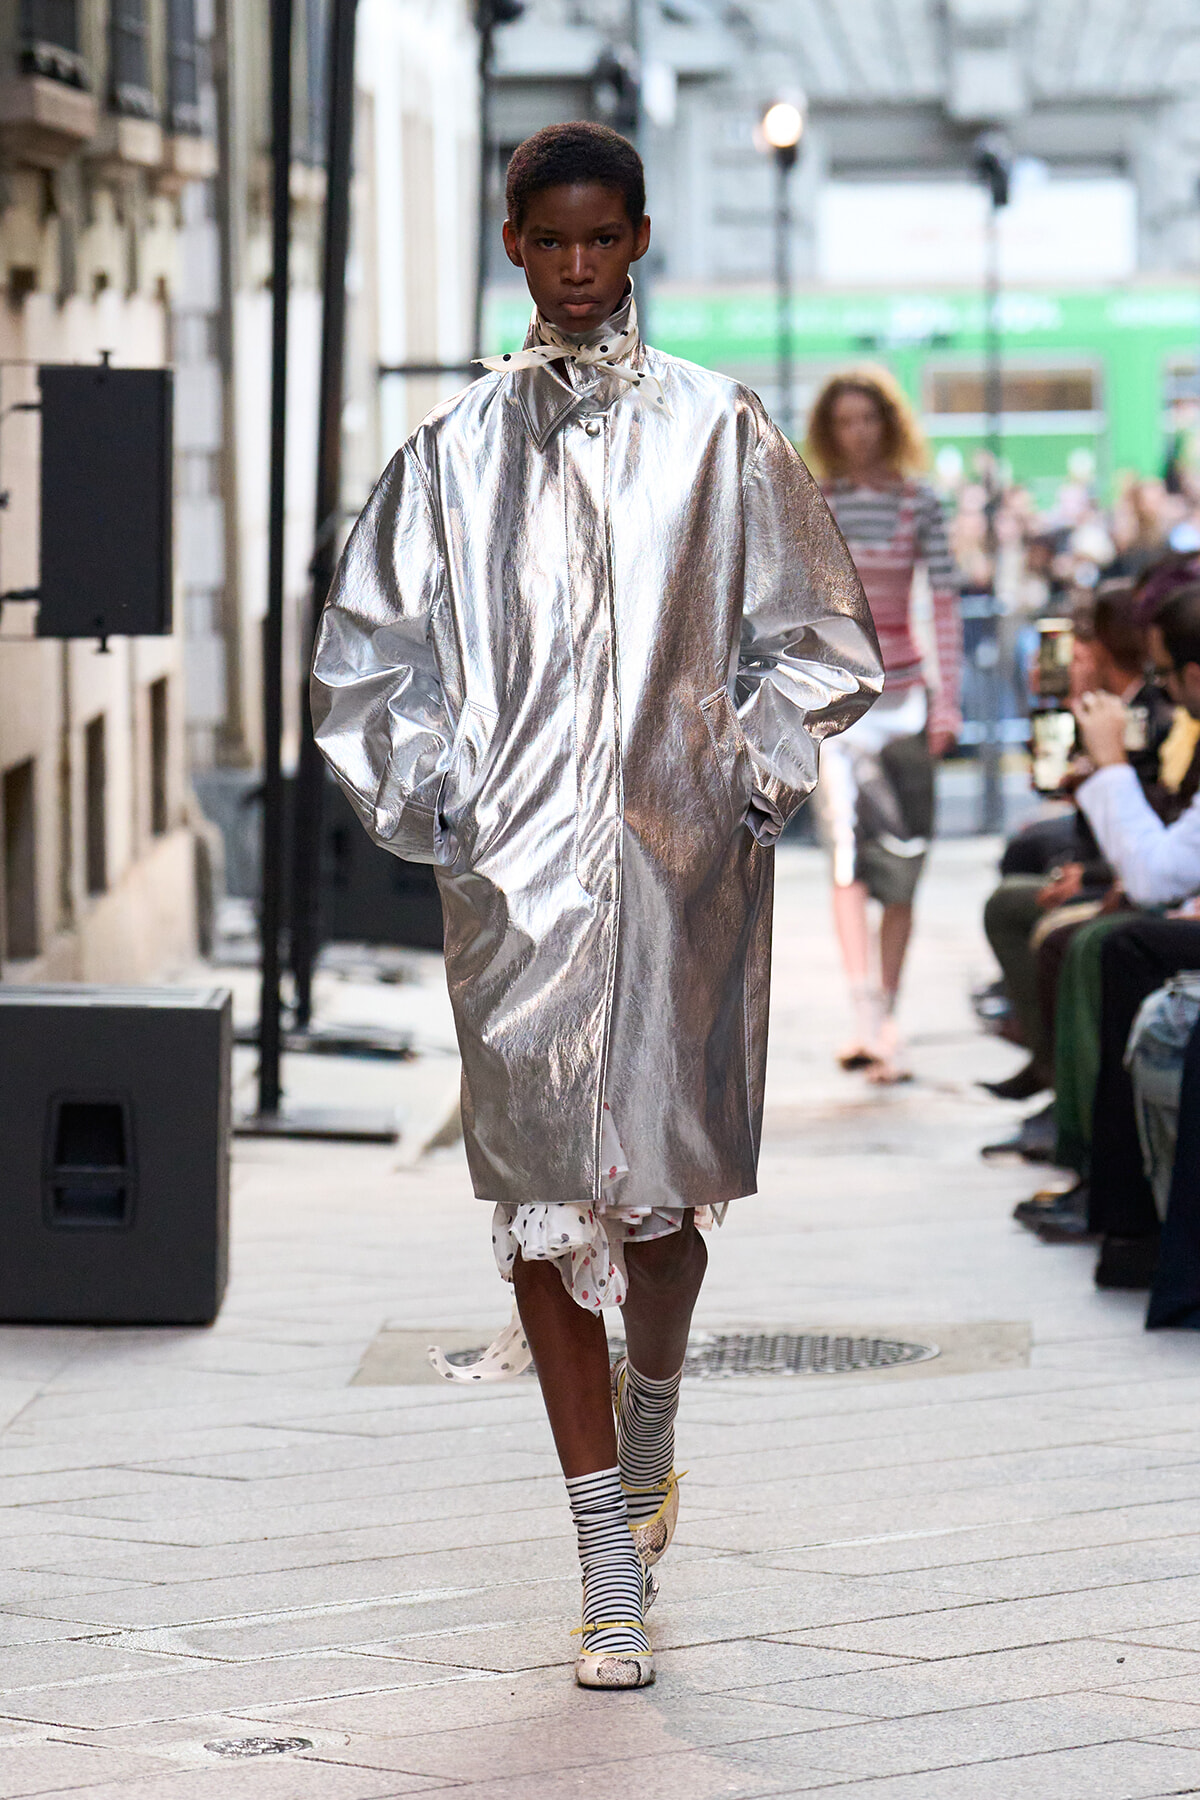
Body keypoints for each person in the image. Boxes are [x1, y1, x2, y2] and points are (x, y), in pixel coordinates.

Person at [310, 123, 881, 1690]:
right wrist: (451, 810)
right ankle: (603, 1562)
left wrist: (744, 779)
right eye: (546, 242)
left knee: (668, 1212)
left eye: (598, 241)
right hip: (520, 902)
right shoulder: (449, 456)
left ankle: (657, 1417)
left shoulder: (724, 433)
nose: (573, 269)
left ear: (640, 239)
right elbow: (366, 666)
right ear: (513, 247)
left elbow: (824, 642)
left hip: (684, 880)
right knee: (544, 1215)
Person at [806, 367, 961, 1083]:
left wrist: (950, 700)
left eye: (868, 419)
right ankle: (864, 1014)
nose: (857, 433)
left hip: (905, 700)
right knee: (846, 862)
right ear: (829, 430)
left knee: (901, 861)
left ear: (889, 424)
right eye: (844, 421)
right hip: (838, 703)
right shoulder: (816, 500)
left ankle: (890, 1013)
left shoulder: (919, 502)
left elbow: (949, 602)